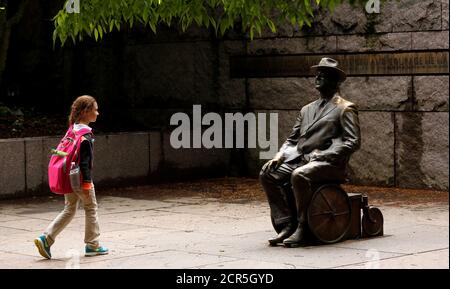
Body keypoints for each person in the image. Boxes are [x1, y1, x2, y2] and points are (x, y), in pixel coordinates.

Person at [260, 58, 361, 247]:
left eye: (324, 74)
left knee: (299, 175)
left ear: (335, 81)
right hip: (303, 159)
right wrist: (279, 156)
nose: (318, 76)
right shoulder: (306, 109)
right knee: (267, 174)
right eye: (317, 73)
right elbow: (292, 140)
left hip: (329, 164)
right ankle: (286, 223)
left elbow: (353, 141)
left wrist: (325, 155)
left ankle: (303, 227)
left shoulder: (345, 108)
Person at [34, 95, 109, 259]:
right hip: (81, 178)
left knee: (69, 208)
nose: (98, 113)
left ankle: (46, 238)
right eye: (95, 109)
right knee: (90, 208)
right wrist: (88, 182)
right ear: (86, 111)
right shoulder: (86, 134)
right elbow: (85, 162)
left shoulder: (72, 129)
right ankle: (93, 245)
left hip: (69, 176)